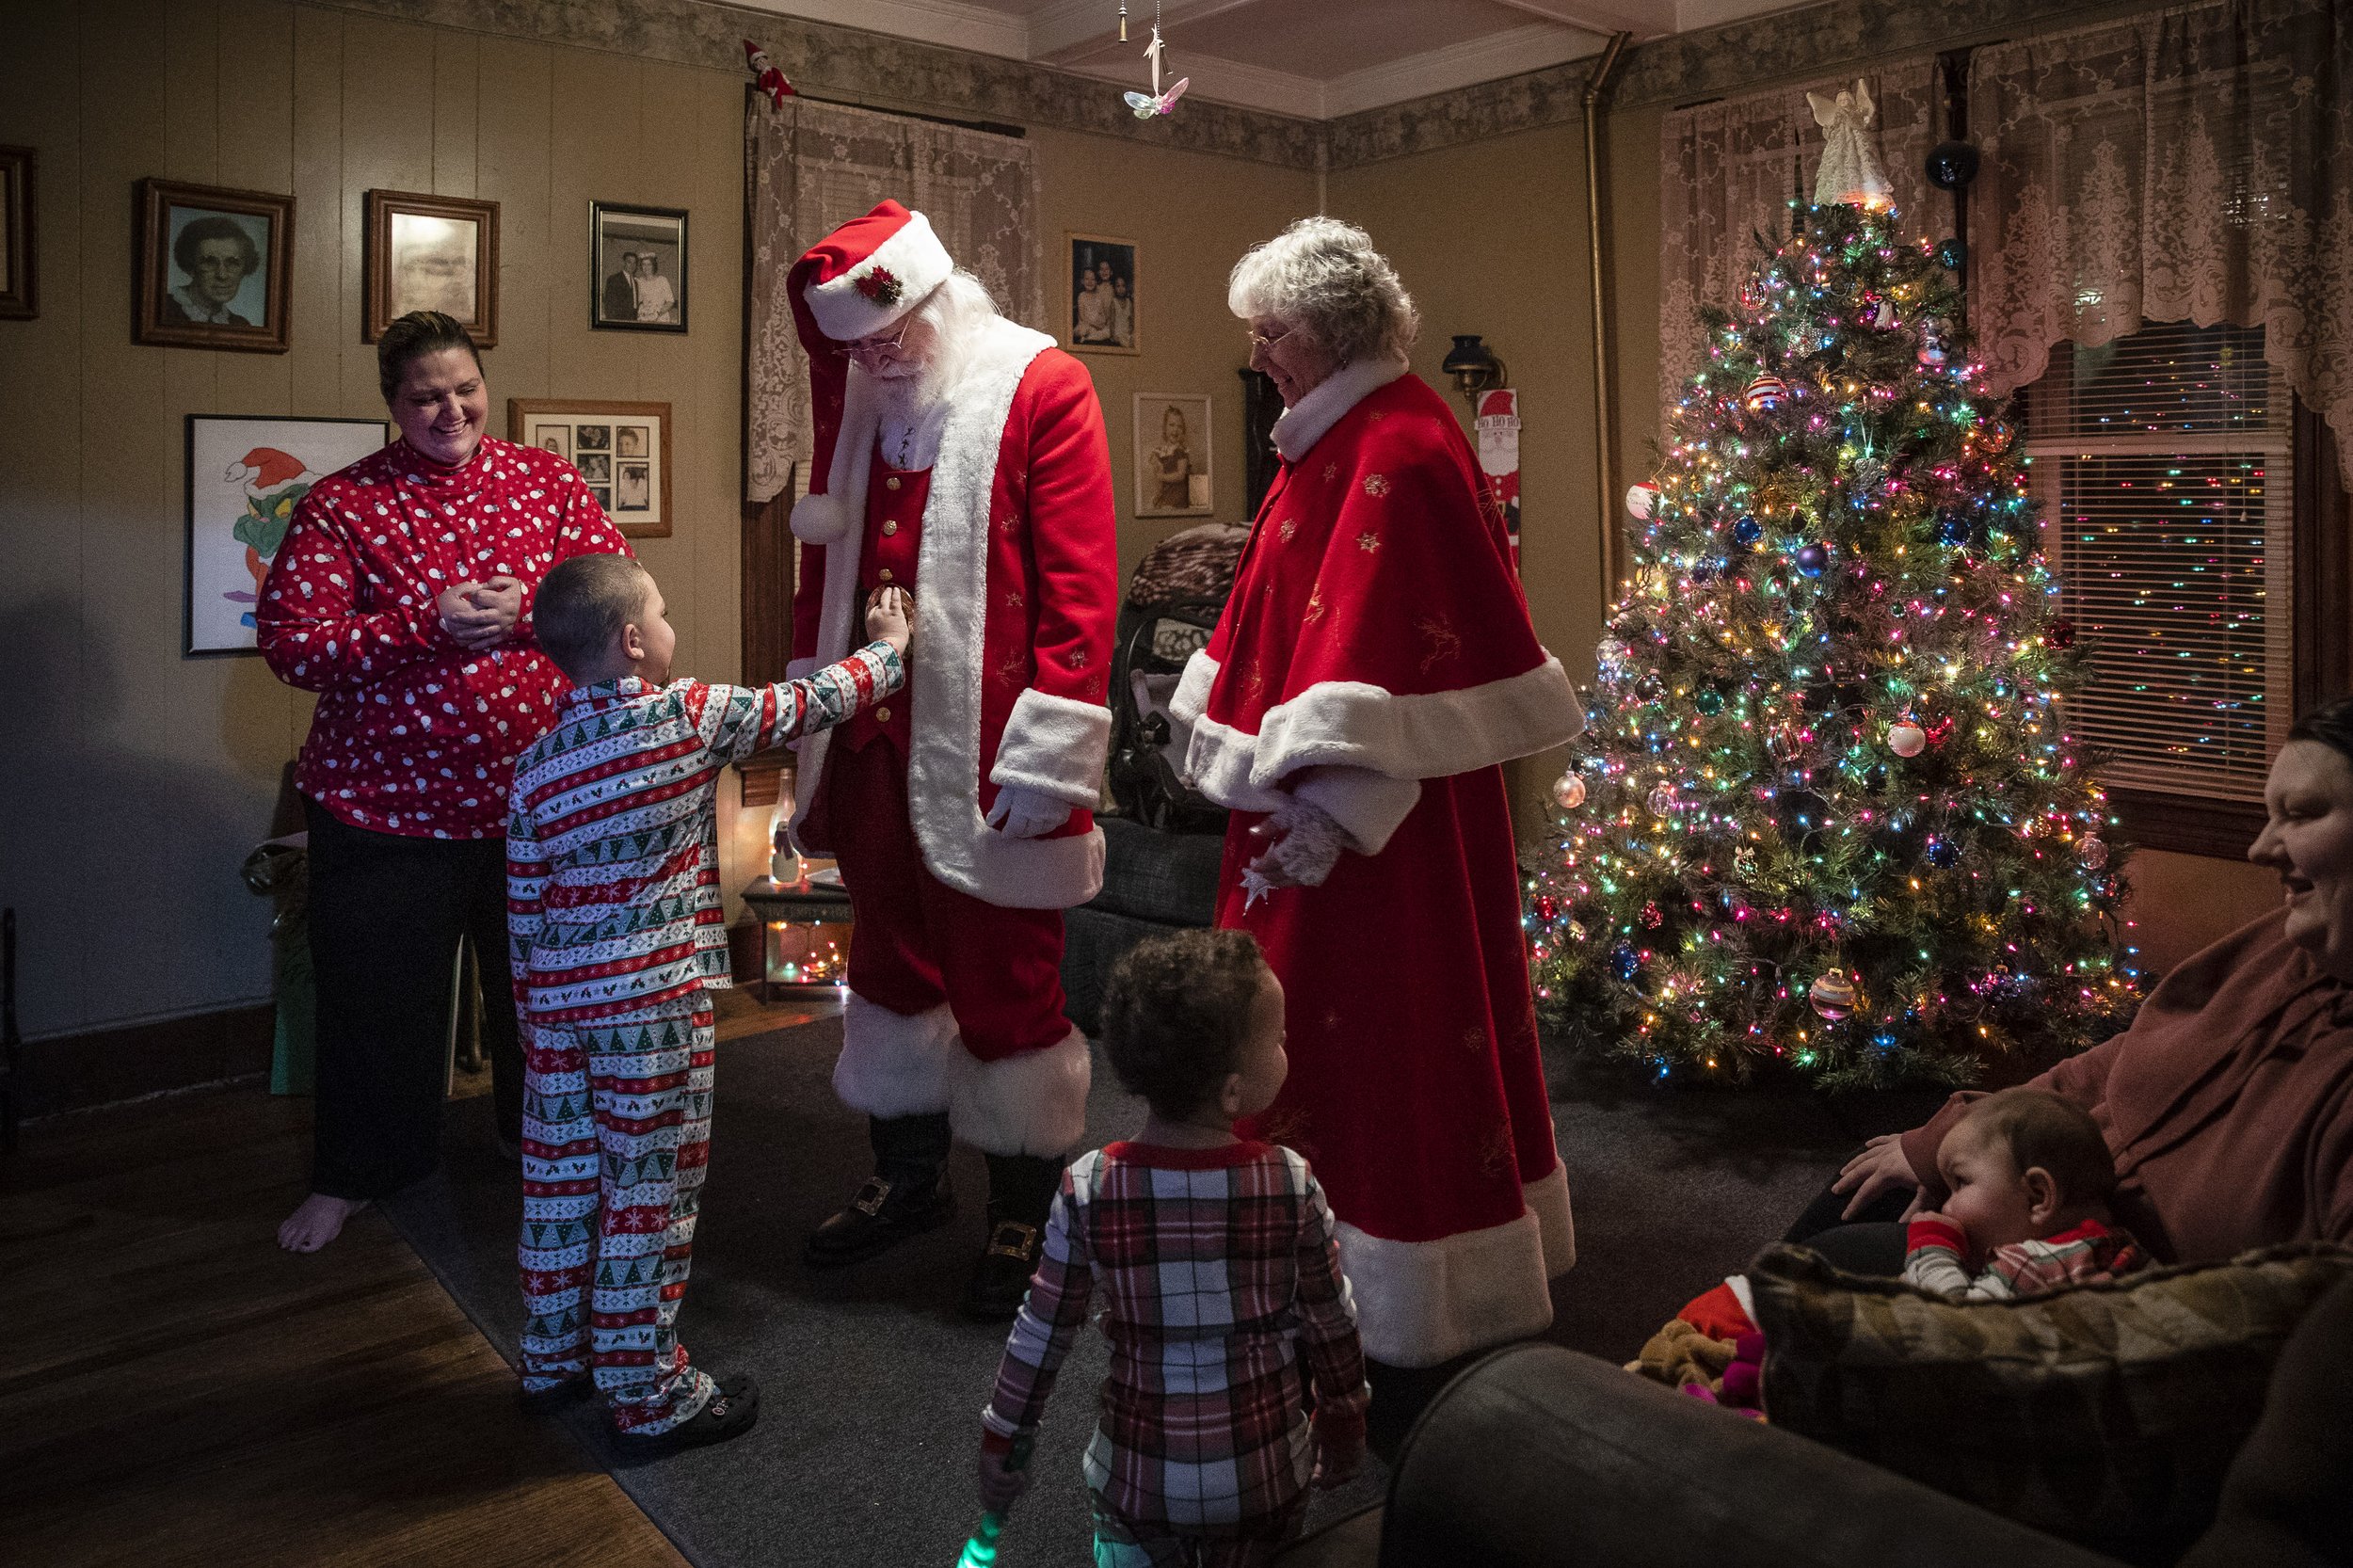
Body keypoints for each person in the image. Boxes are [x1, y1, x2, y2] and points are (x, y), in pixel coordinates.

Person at [1169, 216, 1586, 1370]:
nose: (1257, 357)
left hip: (1364, 830)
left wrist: (1324, 813)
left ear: (1326, 332)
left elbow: (1392, 657)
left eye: (1270, 335)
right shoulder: (1332, 435)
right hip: (1306, 810)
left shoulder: (1397, 448)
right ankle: (1305, 1253)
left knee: (1368, 1033)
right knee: (1297, 1032)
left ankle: (1394, 1277)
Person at [780, 200, 1119, 1317]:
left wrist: (1053, 755)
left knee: (1005, 973)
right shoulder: (863, 409)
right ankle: (910, 1175)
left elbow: (1080, 591)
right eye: (860, 347)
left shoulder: (1039, 384)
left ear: (940, 296)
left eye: (893, 335)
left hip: (990, 747)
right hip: (871, 738)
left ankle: (1024, 1202)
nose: (879, 359)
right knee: (886, 960)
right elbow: (820, 575)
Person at [508, 552, 910, 1447]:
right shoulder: (685, 716)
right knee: (651, 1194)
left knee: (565, 1185)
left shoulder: (536, 766)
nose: (668, 619)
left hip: (560, 1013)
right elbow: (804, 703)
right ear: (634, 641)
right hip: (652, 1011)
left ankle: (552, 1359)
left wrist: (537, 1025)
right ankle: (647, 1392)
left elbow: (525, 908)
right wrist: (888, 649)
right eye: (661, 607)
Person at [257, 311, 633, 1254]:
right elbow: (292, 645)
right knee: (378, 1005)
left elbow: (617, 587)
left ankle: (531, 1139)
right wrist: (420, 622)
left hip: (536, 802)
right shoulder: (343, 504)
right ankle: (353, 1176)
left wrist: (532, 607)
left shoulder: (543, 479)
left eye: (464, 387)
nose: (451, 408)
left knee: (540, 997)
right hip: (383, 811)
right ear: (392, 403)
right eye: (426, 395)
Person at [1808, 695, 2353, 1273]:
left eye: (2303, 813)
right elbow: (2116, 1060)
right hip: (2033, 1191)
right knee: (1854, 1199)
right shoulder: (2282, 945)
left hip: (2096, 1296)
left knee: (1823, 1276)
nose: (2260, 849)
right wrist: (1950, 1138)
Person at [977, 928, 1370, 1566]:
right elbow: (1332, 1323)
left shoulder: (1088, 1187)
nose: (1288, 1045)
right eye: (1277, 1038)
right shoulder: (1292, 1183)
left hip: (1140, 1481)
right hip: (1264, 1477)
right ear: (1233, 1092)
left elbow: (1042, 1332)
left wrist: (1004, 1437)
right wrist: (1344, 1421)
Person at [1901, 1088, 2142, 1300]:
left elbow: (1957, 1327)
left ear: (2037, 1197)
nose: (1945, 1208)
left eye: (1961, 1183)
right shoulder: (2107, 1246)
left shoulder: (2034, 1265)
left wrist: (1931, 1251)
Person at [164, 213, 259, 326]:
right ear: (190, 267)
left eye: (233, 263)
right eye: (209, 262)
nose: (222, 275)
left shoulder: (241, 324)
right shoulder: (164, 309)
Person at [1150, 404, 1193, 511]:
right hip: (1166, 494)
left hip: (1177, 496)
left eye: (1179, 426)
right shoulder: (1163, 451)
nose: (1175, 429)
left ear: (1183, 430)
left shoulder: (1180, 451)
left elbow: (1180, 475)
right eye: (1171, 425)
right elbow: (1155, 461)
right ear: (1164, 428)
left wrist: (1162, 477)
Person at [634, 253, 678, 324]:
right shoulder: (640, 281)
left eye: (649, 264)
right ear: (641, 266)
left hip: (660, 316)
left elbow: (670, 301)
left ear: (653, 266)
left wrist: (657, 313)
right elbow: (638, 300)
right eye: (643, 264)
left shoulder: (662, 280)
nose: (646, 267)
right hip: (644, 317)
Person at [601, 251, 639, 323]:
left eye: (634, 263)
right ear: (623, 263)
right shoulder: (614, 279)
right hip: (619, 320)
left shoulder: (636, 281)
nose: (632, 265)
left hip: (633, 320)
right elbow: (609, 304)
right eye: (629, 262)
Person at [1111, 275, 1134, 348]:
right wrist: (1113, 335)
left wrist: (1131, 330)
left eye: (1123, 286)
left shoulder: (1129, 302)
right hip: (1118, 334)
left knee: (1134, 340)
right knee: (1126, 344)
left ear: (1126, 288)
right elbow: (1112, 321)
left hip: (1127, 332)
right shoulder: (1114, 302)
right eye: (1118, 286)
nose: (1121, 289)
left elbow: (1131, 319)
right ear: (1114, 288)